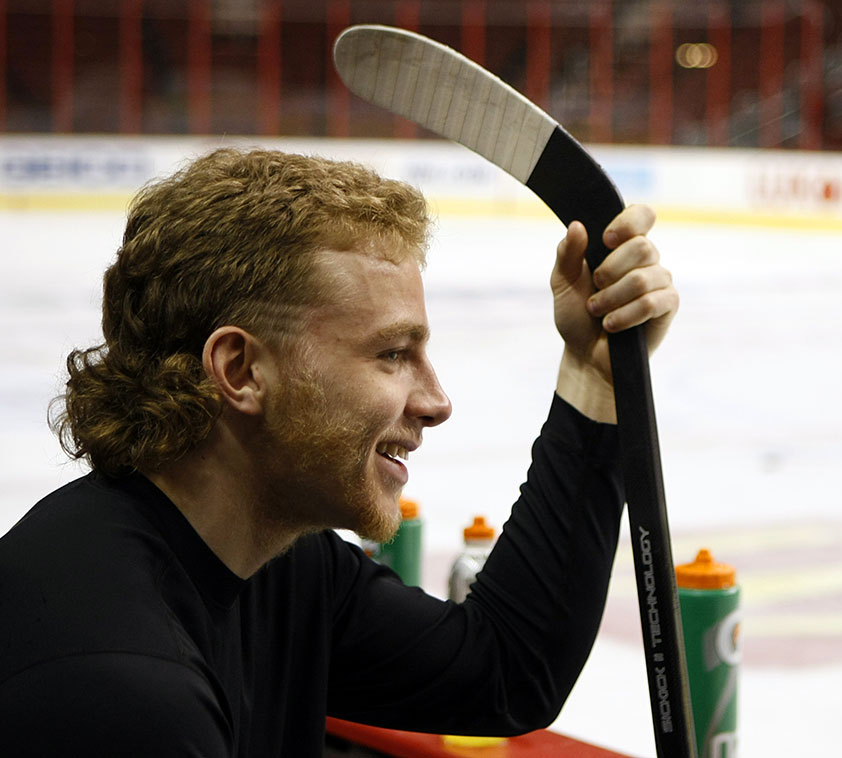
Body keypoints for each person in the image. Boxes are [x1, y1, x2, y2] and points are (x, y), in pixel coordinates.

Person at [0, 148, 678, 756]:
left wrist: (595, 377)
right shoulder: (121, 690)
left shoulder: (268, 560)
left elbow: (506, 670)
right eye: (391, 354)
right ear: (240, 371)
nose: (435, 401)